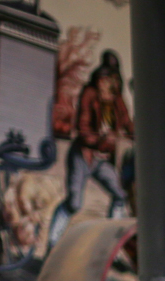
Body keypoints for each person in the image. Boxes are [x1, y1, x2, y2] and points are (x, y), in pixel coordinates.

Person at [48, 50, 131, 249]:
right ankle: (53, 243)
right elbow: (83, 129)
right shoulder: (89, 94)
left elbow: (127, 122)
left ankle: (111, 244)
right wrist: (102, 140)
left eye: (113, 79)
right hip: (83, 156)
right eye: (105, 78)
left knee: (120, 196)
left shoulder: (117, 99)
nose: (109, 83)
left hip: (102, 160)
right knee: (74, 203)